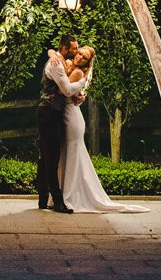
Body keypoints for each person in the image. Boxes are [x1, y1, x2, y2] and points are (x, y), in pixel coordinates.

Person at [58, 45, 149, 214]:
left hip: (71, 116)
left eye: (83, 57)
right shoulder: (72, 66)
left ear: (87, 62)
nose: (78, 57)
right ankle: (63, 194)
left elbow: (64, 90)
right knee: (68, 153)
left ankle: (68, 196)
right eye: (79, 53)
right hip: (69, 113)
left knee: (71, 153)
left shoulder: (78, 72)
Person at [35, 35, 85, 212]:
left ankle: (43, 199)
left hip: (52, 112)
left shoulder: (61, 61)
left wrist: (78, 95)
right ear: (64, 48)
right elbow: (66, 89)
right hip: (48, 112)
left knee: (46, 156)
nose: (76, 51)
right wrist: (82, 82)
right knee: (51, 157)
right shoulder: (56, 64)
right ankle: (57, 201)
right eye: (73, 48)